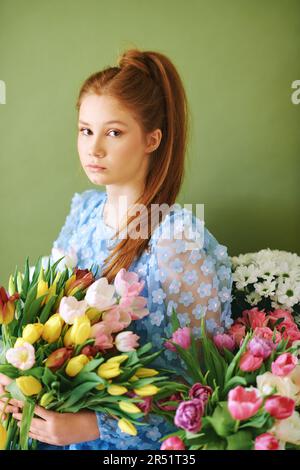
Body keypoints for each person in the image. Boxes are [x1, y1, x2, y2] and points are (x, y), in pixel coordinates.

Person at [0, 48, 233, 450]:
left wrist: (93, 427)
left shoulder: (177, 242)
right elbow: (40, 313)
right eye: (85, 130)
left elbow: (203, 390)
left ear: (152, 139)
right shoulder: (85, 211)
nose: (94, 149)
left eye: (114, 132)